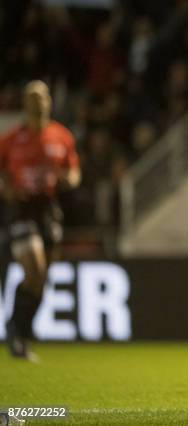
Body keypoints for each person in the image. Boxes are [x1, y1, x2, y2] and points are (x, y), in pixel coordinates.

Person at [0, 80, 80, 360]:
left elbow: (73, 171)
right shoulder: (10, 139)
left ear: (49, 102)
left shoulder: (62, 137)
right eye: (33, 96)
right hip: (21, 209)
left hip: (48, 209)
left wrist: (68, 179)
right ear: (25, 103)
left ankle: (20, 331)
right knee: (34, 265)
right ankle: (14, 327)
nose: (39, 101)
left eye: (43, 96)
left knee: (41, 278)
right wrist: (5, 187)